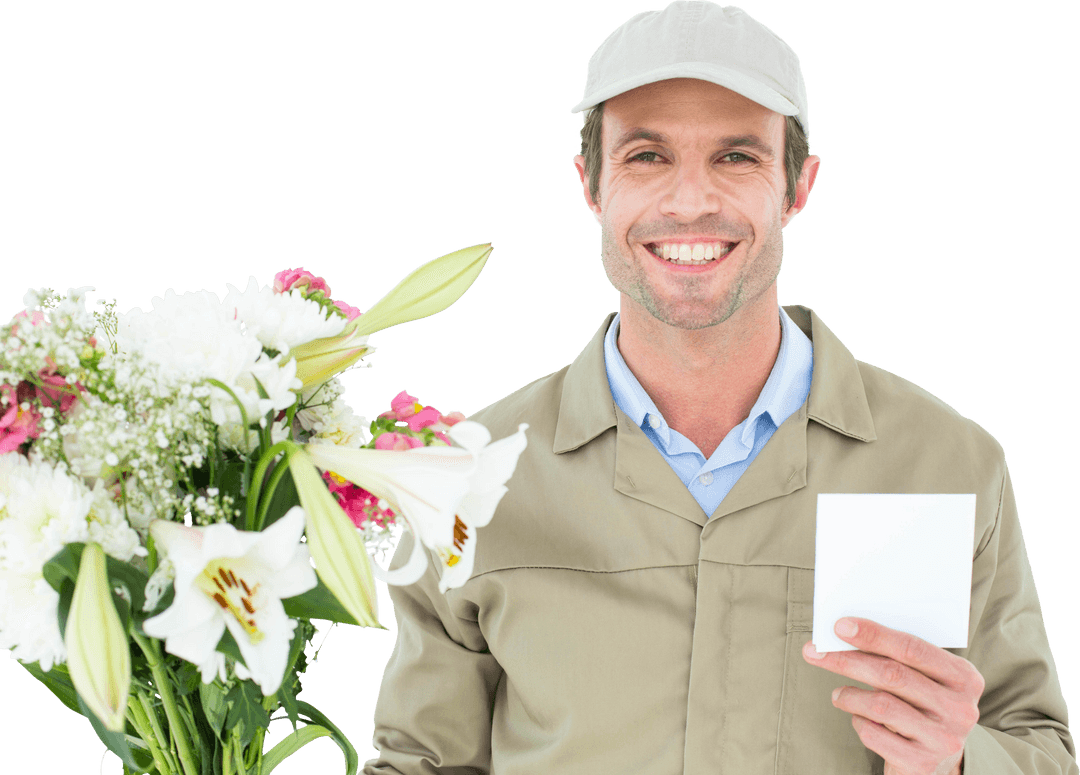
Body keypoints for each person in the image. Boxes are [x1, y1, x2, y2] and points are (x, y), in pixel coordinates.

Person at [362, 2, 1077, 773]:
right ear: (591, 186)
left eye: (737, 157)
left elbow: (1040, 747)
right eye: (646, 155)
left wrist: (961, 760)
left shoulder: (949, 464)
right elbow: (422, 762)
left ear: (798, 187)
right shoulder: (472, 483)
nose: (690, 200)